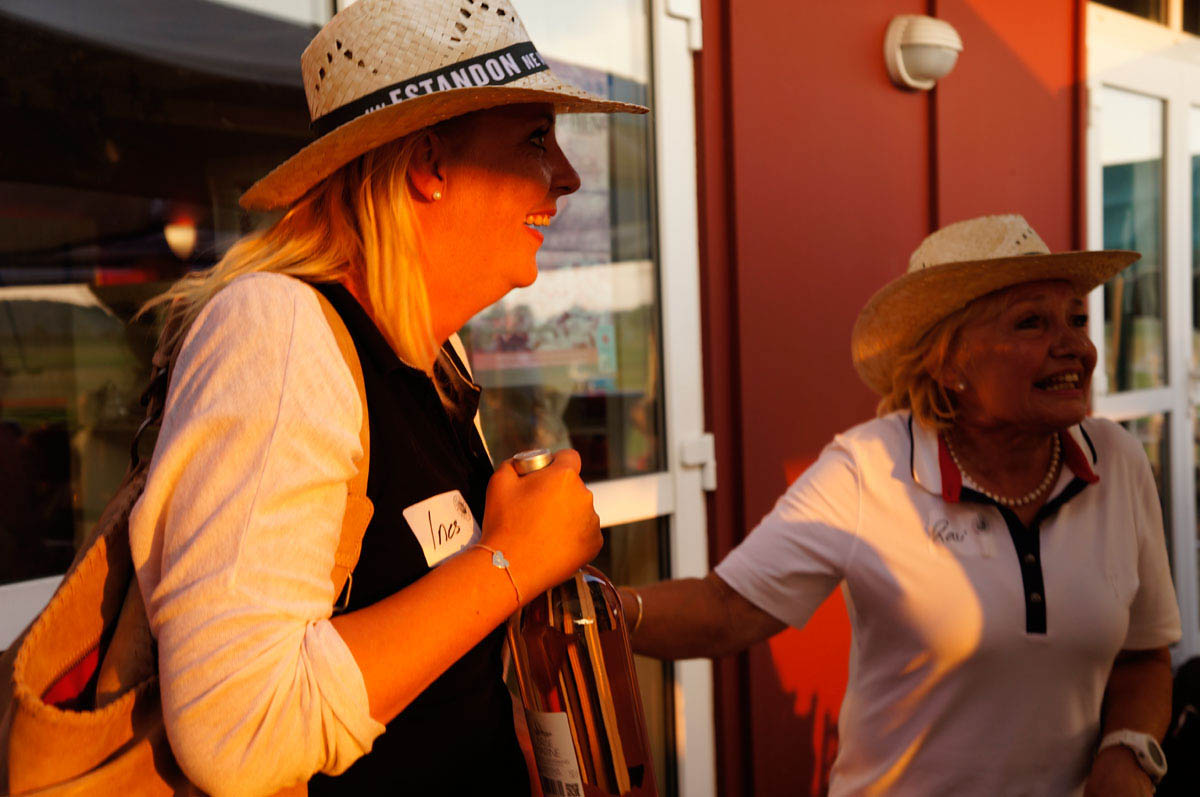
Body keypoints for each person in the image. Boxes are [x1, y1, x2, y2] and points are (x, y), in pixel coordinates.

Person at [127, 1, 647, 794]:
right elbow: (235, 727)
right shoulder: (279, 331)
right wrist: (512, 559)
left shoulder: (430, 357)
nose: (567, 177)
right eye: (535, 140)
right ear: (429, 165)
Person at [619, 214, 1182, 796]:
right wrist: (595, 611)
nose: (1076, 348)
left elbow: (1144, 656)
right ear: (950, 362)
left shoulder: (1117, 460)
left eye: (1077, 319)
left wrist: (1128, 750)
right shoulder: (869, 469)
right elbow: (725, 610)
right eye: (1032, 322)